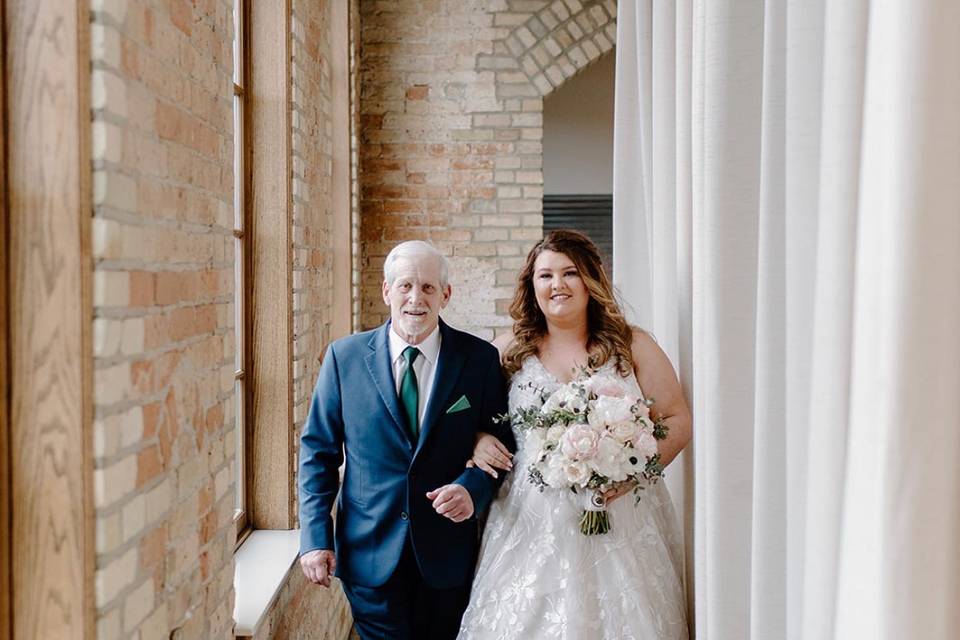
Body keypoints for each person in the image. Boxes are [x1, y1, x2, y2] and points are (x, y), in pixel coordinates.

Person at [457, 230, 691, 639]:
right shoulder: (509, 350)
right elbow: (462, 415)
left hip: (621, 514)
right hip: (530, 521)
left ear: (590, 280)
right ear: (532, 286)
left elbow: (676, 418)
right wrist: (477, 439)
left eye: (570, 273)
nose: (557, 285)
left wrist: (635, 472)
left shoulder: (630, 344)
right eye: (545, 276)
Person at [298, 240, 516, 640]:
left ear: (445, 295)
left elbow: (503, 445)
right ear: (387, 291)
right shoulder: (343, 358)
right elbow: (318, 454)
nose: (416, 298)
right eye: (405, 286)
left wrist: (472, 491)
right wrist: (314, 538)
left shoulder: (479, 360)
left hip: (448, 554)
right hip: (369, 552)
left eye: (429, 288)